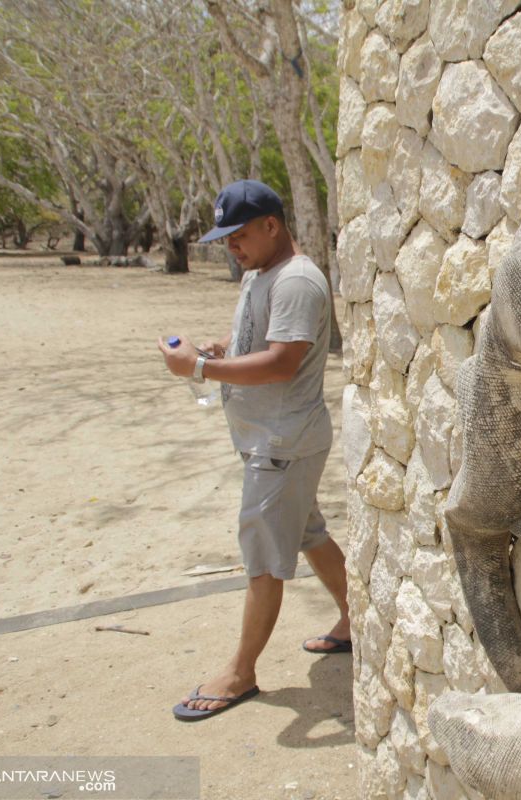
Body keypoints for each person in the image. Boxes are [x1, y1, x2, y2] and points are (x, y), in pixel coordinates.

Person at [158, 179, 350, 722]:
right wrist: (220, 347)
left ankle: (241, 672)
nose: (232, 247)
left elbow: (284, 361)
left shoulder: (297, 280)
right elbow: (257, 340)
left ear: (273, 225)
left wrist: (199, 367)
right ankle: (354, 617)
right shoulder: (261, 273)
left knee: (264, 559)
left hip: (282, 446)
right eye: (226, 238)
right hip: (272, 441)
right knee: (308, 532)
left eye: (239, 235)